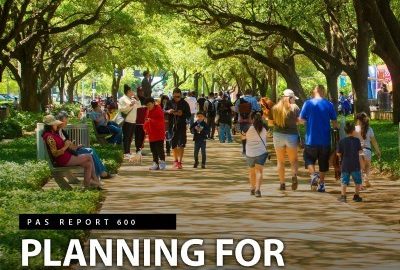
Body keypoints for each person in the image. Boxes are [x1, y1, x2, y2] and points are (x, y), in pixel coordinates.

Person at [42, 115, 101, 189]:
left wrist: (68, 144)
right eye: (55, 124)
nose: (56, 125)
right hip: (63, 159)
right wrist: (65, 146)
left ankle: (87, 184)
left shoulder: (53, 134)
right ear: (50, 126)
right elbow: (55, 153)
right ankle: (94, 181)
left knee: (88, 164)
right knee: (88, 156)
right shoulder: (49, 137)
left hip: (66, 157)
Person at [299, 85, 338, 192]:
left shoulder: (307, 103)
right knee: (323, 163)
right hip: (325, 140)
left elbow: (301, 120)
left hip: (311, 139)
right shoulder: (328, 104)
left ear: (314, 91)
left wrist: (307, 121)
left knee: (309, 159)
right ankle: (321, 184)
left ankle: (313, 175)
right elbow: (335, 123)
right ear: (323, 92)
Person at [56, 111, 111, 179]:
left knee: (91, 150)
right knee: (90, 152)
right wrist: (73, 147)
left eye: (66, 121)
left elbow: (69, 145)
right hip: (69, 154)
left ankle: (101, 173)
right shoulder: (57, 133)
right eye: (65, 122)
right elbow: (66, 146)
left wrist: (77, 146)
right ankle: (100, 173)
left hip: (72, 151)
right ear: (59, 121)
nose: (66, 123)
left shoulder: (62, 131)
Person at [268, 89, 300, 191]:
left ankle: (282, 183)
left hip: (278, 135)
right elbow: (299, 122)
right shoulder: (295, 108)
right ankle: (294, 176)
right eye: (294, 98)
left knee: (280, 161)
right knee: (293, 160)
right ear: (291, 98)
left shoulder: (275, 108)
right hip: (291, 135)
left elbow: (270, 123)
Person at [165, 88, 191, 169]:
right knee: (173, 144)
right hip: (171, 126)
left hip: (181, 125)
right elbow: (163, 111)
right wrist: (168, 111)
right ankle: (175, 161)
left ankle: (180, 161)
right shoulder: (169, 102)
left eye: (178, 96)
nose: (177, 98)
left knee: (181, 144)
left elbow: (189, 114)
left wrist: (182, 113)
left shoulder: (184, 103)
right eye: (175, 96)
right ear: (173, 95)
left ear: (181, 95)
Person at [337, 122, 363, 202]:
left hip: (345, 164)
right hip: (355, 164)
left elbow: (338, 153)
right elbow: (360, 151)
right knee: (357, 181)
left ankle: (343, 196)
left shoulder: (341, 141)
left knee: (344, 181)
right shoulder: (357, 140)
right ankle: (356, 196)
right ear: (353, 131)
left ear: (345, 131)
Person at [245, 112, 268, 198]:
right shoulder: (264, 127)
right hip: (261, 152)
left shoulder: (247, 128)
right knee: (259, 171)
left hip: (250, 152)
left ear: (251, 119)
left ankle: (252, 188)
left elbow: (243, 138)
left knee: (251, 171)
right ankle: (258, 190)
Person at [355, 112, 381, 188]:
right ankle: (366, 179)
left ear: (358, 120)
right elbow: (374, 141)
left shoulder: (355, 129)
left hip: (358, 151)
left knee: (359, 167)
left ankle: (360, 183)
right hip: (368, 151)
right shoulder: (369, 129)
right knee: (367, 166)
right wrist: (377, 150)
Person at [236, 89, 262, 155]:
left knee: (243, 134)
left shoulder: (239, 100)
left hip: (241, 120)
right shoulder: (254, 100)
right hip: (251, 120)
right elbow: (258, 109)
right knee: (251, 134)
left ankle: (244, 149)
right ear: (251, 93)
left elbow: (236, 109)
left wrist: (241, 113)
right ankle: (251, 149)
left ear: (245, 93)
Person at [143, 97, 166, 170]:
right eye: (147, 105)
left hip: (159, 133)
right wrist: (146, 125)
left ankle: (162, 162)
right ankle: (155, 163)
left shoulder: (159, 110)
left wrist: (150, 120)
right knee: (153, 149)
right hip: (151, 133)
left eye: (149, 104)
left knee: (160, 149)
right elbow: (146, 120)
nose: (148, 107)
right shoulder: (148, 111)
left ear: (153, 103)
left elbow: (160, 121)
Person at [119, 84, 140, 158]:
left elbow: (139, 106)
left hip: (133, 120)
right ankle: (126, 152)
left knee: (130, 137)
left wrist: (137, 99)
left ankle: (128, 151)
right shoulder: (122, 99)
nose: (132, 92)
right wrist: (130, 105)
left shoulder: (132, 99)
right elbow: (121, 109)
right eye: (131, 90)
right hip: (127, 120)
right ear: (128, 91)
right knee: (126, 137)